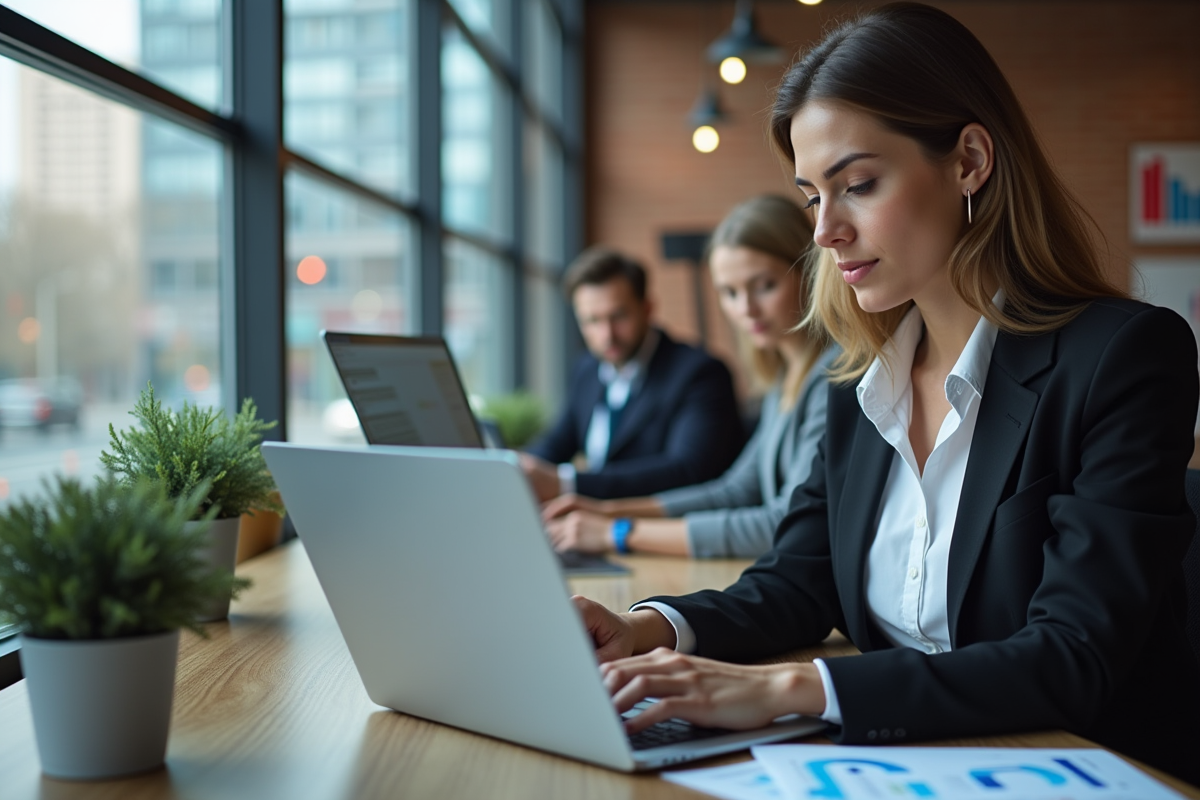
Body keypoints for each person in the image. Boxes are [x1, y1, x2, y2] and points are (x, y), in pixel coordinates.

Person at [570, 2, 1200, 785]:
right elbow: (799, 579)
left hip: (1077, 766)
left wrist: (788, 688)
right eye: (811, 197)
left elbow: (1072, 656)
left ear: (969, 160)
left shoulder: (1123, 357)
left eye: (857, 184)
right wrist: (647, 629)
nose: (826, 231)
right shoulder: (859, 380)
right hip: (910, 761)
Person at [542, 195, 836, 558]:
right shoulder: (785, 379)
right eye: (729, 293)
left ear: (808, 269)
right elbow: (733, 491)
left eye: (764, 286)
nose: (746, 309)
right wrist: (606, 511)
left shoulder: (832, 375)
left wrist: (618, 532)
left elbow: (785, 522)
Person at [520, 248, 744, 501]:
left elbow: (689, 469)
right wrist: (516, 468)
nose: (607, 335)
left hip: (661, 530)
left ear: (647, 308)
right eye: (592, 321)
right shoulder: (586, 369)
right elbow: (558, 442)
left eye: (618, 316)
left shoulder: (701, 374)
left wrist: (568, 483)